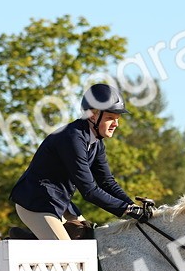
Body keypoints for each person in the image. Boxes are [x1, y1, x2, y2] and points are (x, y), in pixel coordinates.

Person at [9, 83, 153, 240]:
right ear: (92, 115)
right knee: (68, 258)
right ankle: (27, 242)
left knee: (89, 239)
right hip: (36, 202)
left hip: (60, 203)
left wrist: (132, 206)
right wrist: (126, 209)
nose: (116, 124)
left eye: (117, 119)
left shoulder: (96, 143)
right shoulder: (72, 138)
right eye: (110, 118)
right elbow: (89, 190)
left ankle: (31, 240)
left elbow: (107, 182)